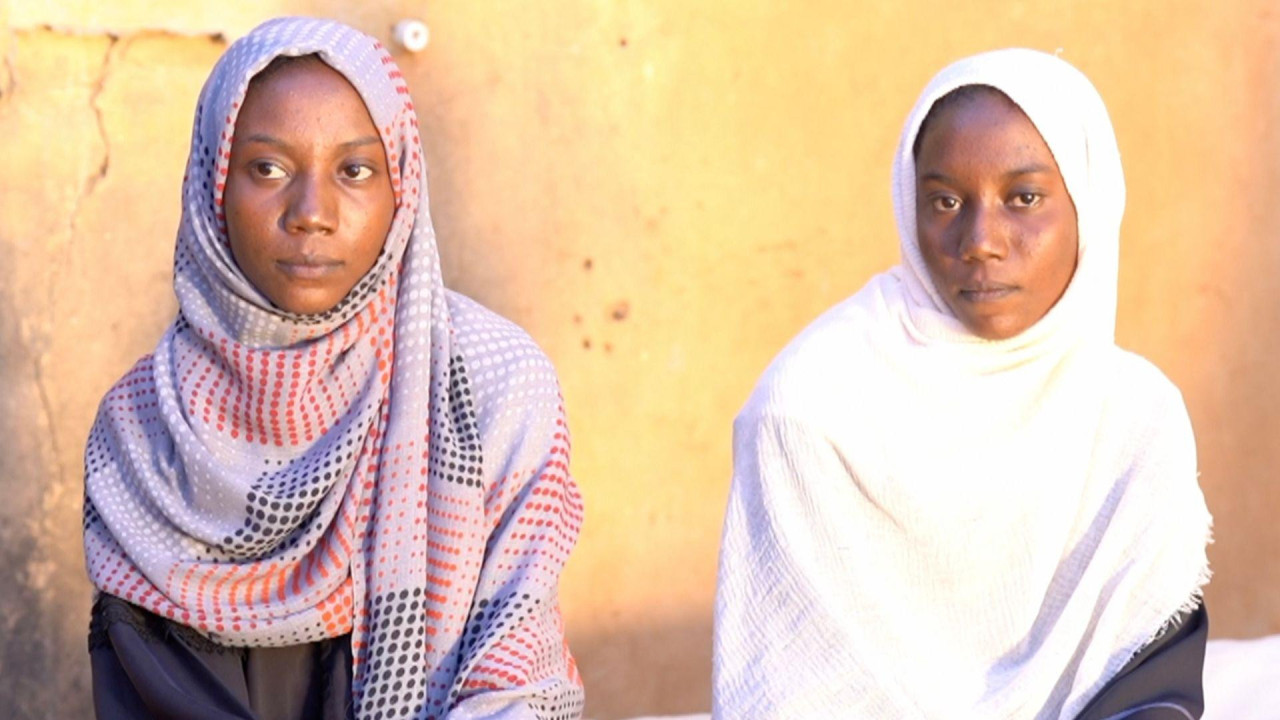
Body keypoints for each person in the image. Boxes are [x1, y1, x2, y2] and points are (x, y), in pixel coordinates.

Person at [82, 17, 584, 720]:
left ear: (401, 186)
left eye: (354, 171)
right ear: (212, 183)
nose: (311, 214)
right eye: (268, 169)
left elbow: (515, 676)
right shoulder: (141, 432)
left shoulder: (492, 386)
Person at [713, 49, 1212, 719]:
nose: (980, 240)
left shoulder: (1134, 417)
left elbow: (1152, 688)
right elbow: (797, 687)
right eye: (944, 201)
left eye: (1023, 198)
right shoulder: (813, 406)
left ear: (1090, 204)